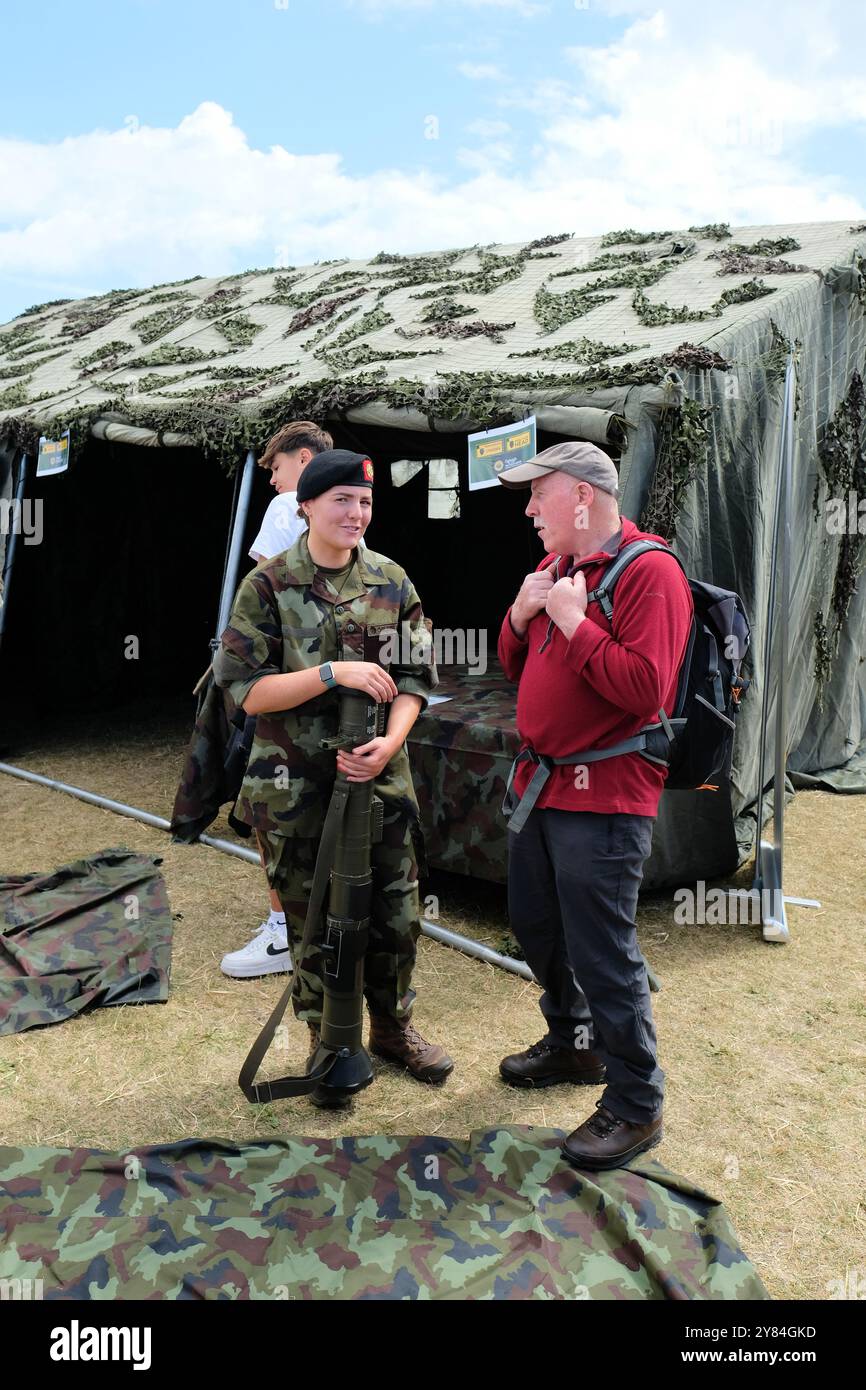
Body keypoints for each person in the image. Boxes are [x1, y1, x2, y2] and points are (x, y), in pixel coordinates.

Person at [213, 448, 453, 1090]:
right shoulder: (268, 586)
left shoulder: (391, 582)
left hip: (379, 781)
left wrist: (390, 741)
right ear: (307, 507)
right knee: (312, 918)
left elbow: (414, 681)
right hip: (295, 790)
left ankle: (394, 1028)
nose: (356, 513)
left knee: (396, 913)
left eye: (366, 502)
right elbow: (244, 691)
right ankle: (328, 1038)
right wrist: (328, 674)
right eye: (342, 500)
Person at [496, 441, 693, 1170]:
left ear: (581, 497)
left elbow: (646, 689)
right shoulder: (557, 569)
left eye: (537, 495)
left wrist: (577, 625)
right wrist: (520, 619)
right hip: (541, 789)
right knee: (537, 926)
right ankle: (574, 1046)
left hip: (605, 799)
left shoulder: (652, 572)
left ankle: (637, 1105)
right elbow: (517, 665)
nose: (528, 510)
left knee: (603, 952)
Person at [220, 420, 334, 979]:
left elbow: (259, 587)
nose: (272, 481)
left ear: (304, 458)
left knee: (270, 808)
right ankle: (317, 923)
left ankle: (282, 931)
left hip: (281, 681)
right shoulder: (347, 516)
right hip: (331, 682)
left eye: (276, 467)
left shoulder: (291, 504)